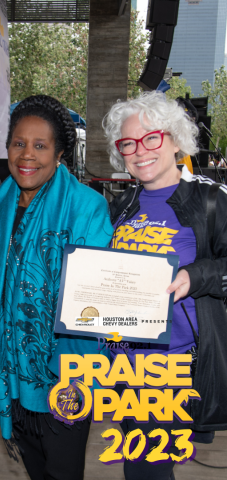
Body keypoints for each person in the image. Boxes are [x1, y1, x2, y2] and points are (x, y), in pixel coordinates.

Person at [0, 95, 113, 480]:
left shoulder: (87, 207)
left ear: (59, 154)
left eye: (40, 145)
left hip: (66, 372)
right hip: (11, 369)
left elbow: (94, 299)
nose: (27, 155)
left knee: (64, 471)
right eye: (19, 143)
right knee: (36, 467)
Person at [104, 91, 227, 480]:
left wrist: (196, 276)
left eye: (152, 137)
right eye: (128, 143)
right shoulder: (121, 205)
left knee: (145, 468)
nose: (140, 150)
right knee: (140, 463)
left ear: (175, 139)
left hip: (174, 366)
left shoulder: (209, 198)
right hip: (121, 365)